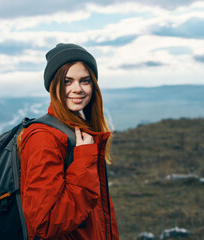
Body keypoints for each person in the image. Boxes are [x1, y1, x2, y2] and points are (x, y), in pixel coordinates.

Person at [19, 43, 119, 239]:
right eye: (67, 81)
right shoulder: (43, 138)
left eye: (85, 80)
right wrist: (83, 162)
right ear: (52, 85)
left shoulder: (79, 132)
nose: (78, 89)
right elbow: (45, 225)